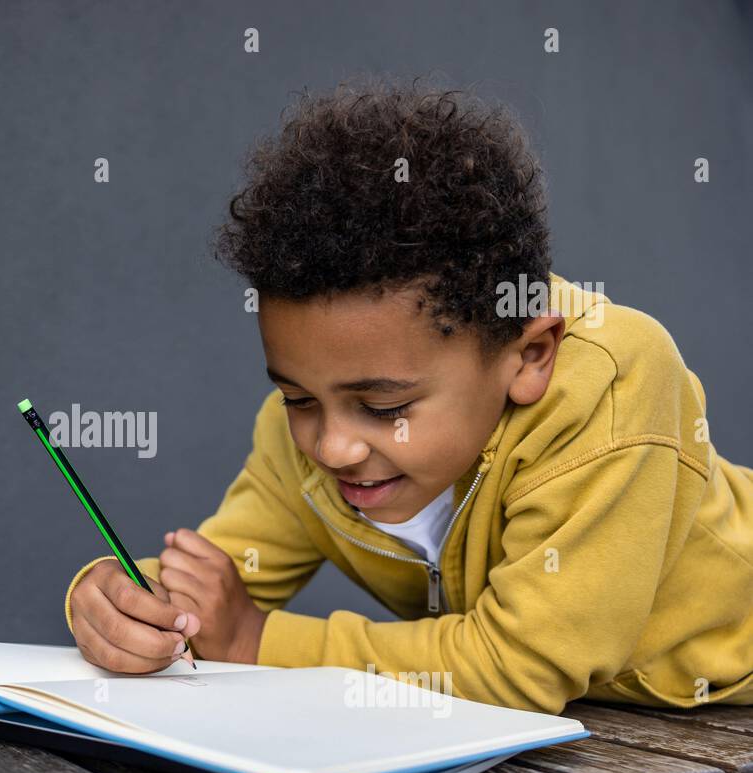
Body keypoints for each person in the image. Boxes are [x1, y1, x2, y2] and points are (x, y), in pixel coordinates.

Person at [63, 79, 753, 714]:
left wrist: (253, 643)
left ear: (530, 356)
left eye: (386, 408)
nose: (332, 446)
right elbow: (211, 591)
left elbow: (515, 669)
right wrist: (120, 603)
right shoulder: (305, 432)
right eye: (298, 397)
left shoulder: (614, 384)